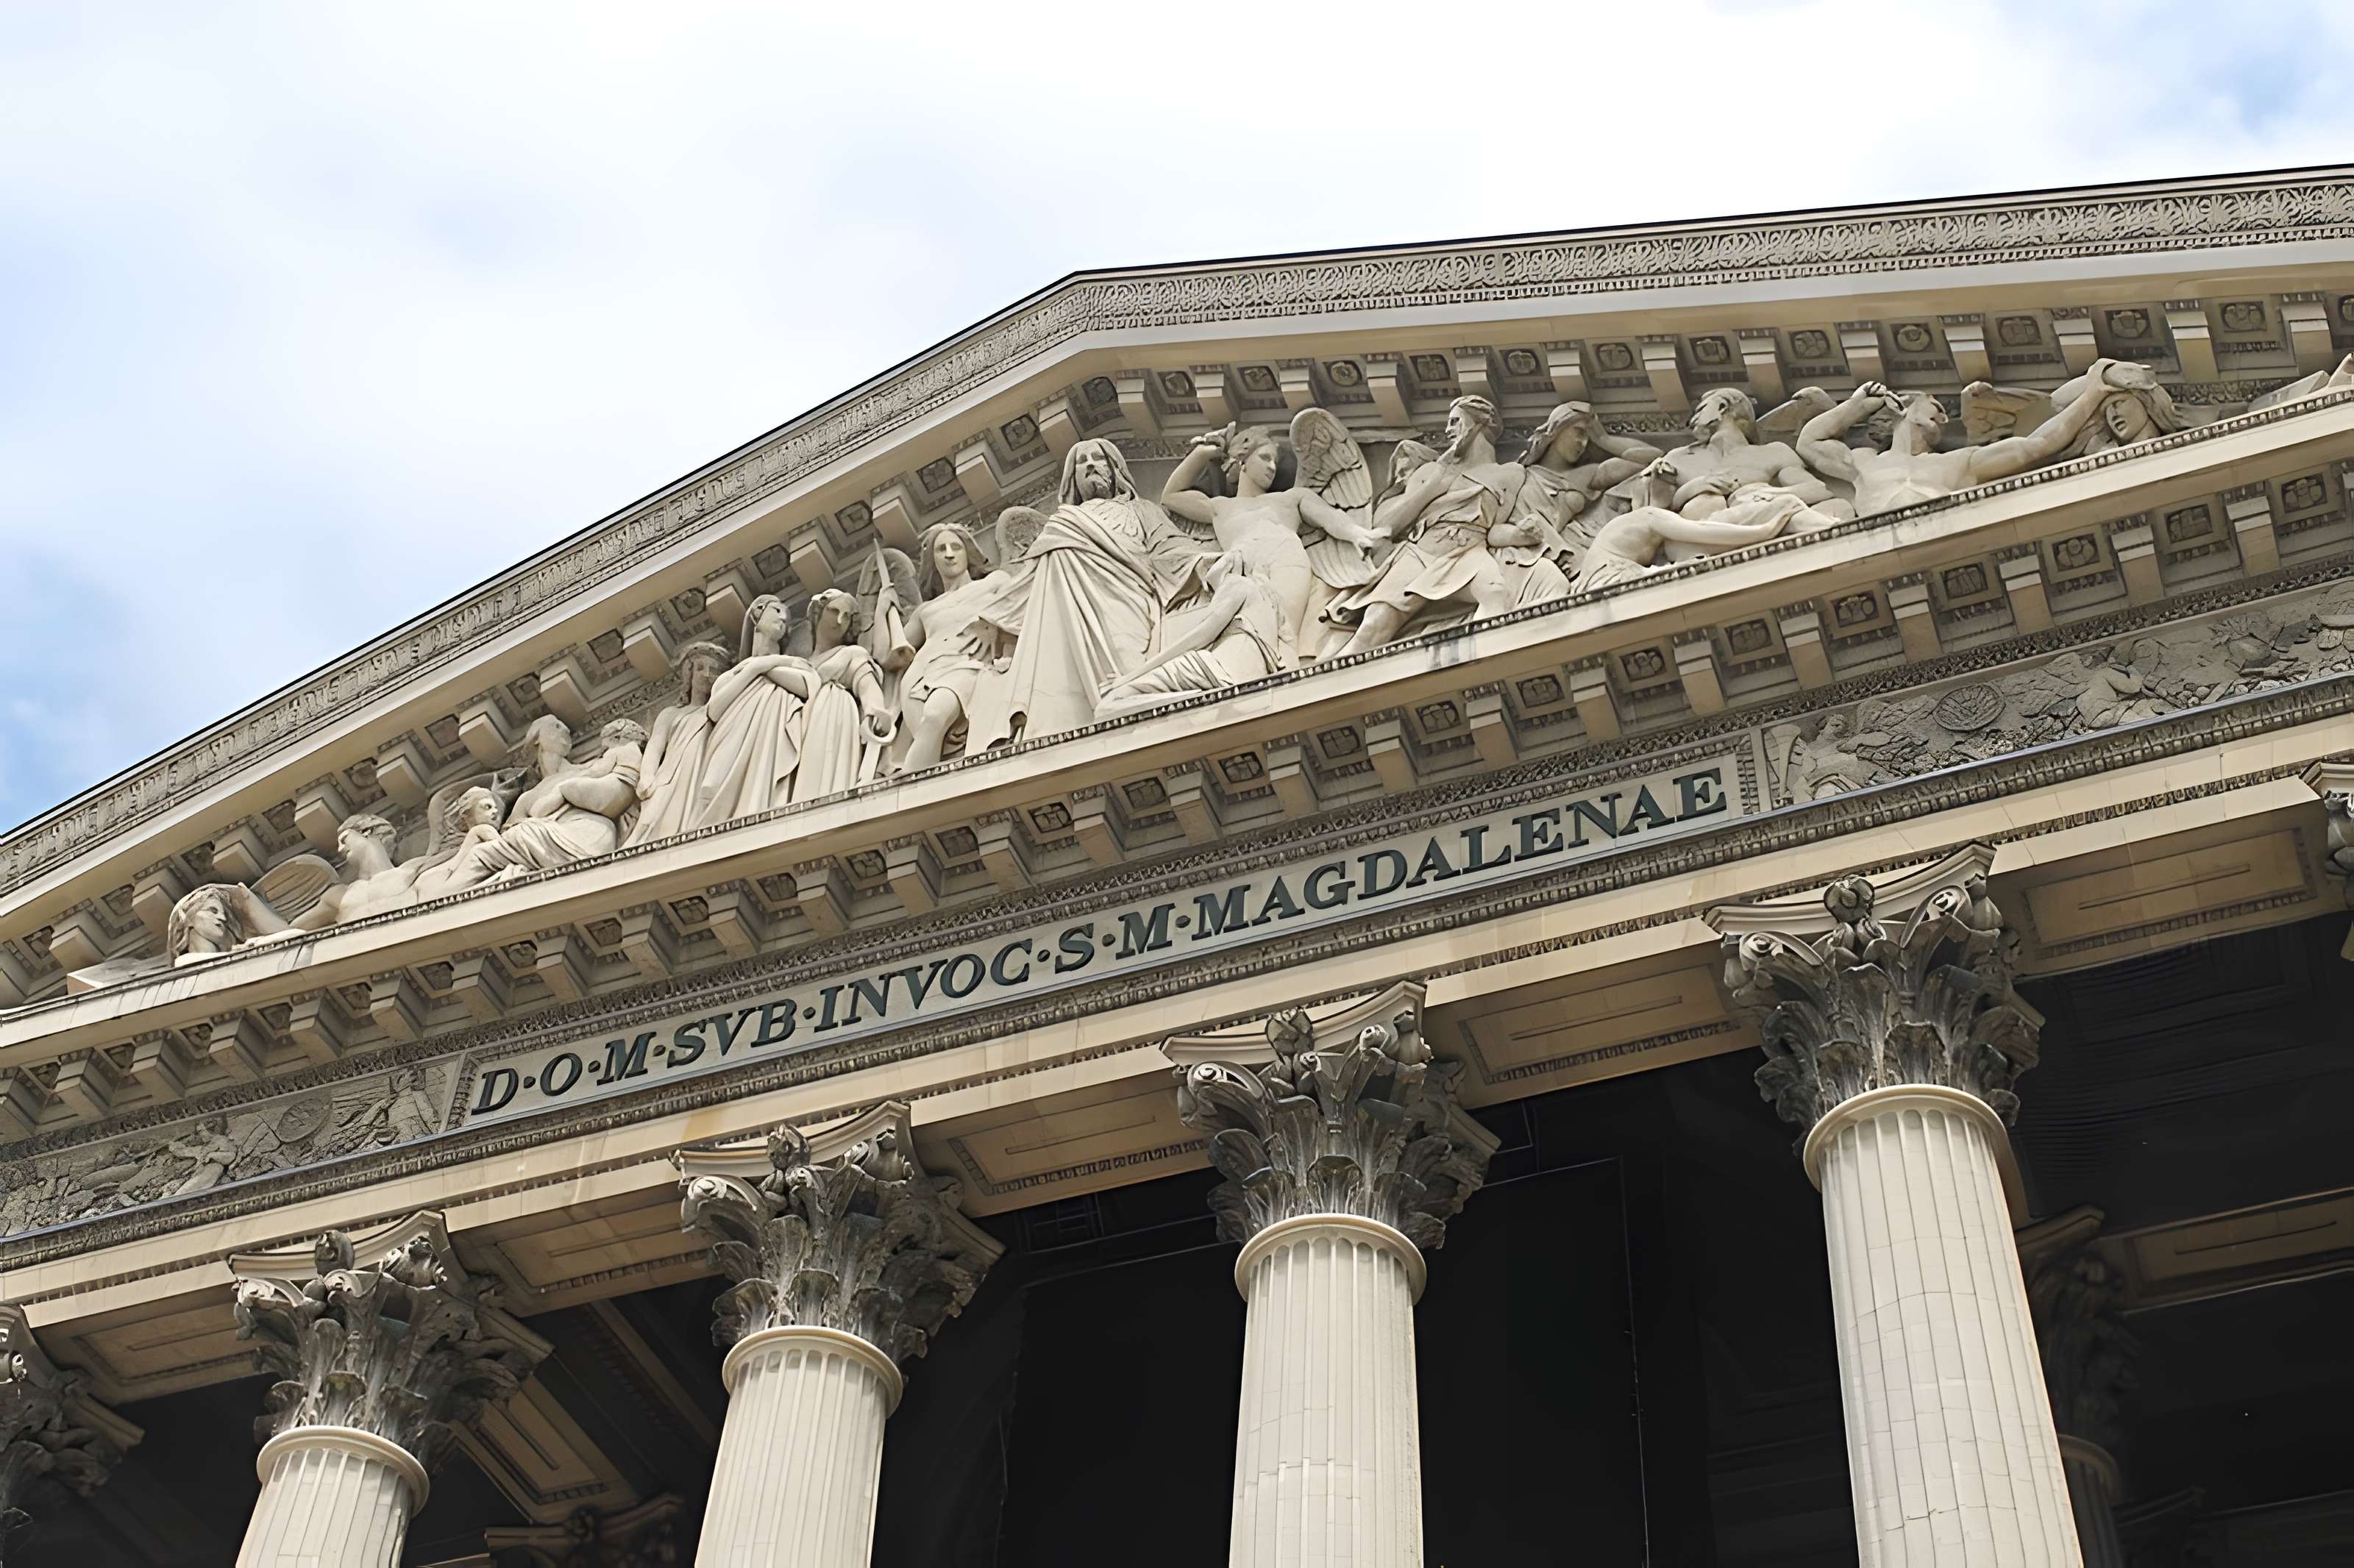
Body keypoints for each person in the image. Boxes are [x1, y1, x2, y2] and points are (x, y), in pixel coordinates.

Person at [964, 440, 1208, 748]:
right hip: (1071, 615)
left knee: (1127, 658)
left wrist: (1210, 566)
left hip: (1129, 600)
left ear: (1115, 469)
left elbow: (1171, 549)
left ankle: (1136, 708)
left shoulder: (1141, 510)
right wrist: (996, 623)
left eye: (1098, 459)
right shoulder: (1062, 522)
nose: (1090, 465)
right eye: (1082, 462)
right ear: (1073, 477)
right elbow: (1034, 586)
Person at [1326, 396, 1534, 656]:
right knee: (1375, 625)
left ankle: (1482, 664)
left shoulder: (1512, 474)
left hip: (1470, 551)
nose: (1448, 430)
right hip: (1422, 552)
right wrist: (1434, 484)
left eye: (1455, 422)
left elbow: (1495, 530)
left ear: (1481, 422)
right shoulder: (1432, 472)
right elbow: (1386, 527)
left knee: (1496, 592)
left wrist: (1521, 534)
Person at [1159, 423, 1379, 654]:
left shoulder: (1290, 498)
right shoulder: (1220, 508)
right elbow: (1171, 496)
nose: (1272, 467)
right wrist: (1206, 451)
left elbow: (1331, 519)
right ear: (1242, 460)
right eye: (1265, 458)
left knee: (1281, 635)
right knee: (1241, 639)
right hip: (1242, 568)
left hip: (1285, 558)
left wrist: (1358, 534)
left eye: (1274, 461)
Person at [1799, 377, 2110, 515]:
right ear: (1902, 407)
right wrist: (1856, 407)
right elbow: (1810, 442)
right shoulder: (1863, 462)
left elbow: (2036, 445)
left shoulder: (1958, 462)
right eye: (1934, 404)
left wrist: (2093, 393)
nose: (1946, 417)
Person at [878, 523, 1011, 773]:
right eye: (941, 549)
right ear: (933, 559)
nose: (949, 554)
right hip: (921, 678)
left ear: (967, 552)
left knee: (937, 714)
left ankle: (911, 792)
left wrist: (995, 627)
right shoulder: (926, 610)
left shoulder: (993, 582)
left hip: (966, 666)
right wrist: (882, 609)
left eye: (956, 547)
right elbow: (887, 657)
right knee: (931, 719)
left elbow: (1024, 606)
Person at [1571, 459, 1813, 592]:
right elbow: (1704, 532)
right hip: (1614, 583)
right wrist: (1764, 531)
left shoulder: (1620, 529)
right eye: (1668, 487)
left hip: (1600, 586)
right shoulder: (1649, 516)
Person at [1098, 552, 1290, 711]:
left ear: (1233, 564)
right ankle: (1190, 703)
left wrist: (1130, 678)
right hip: (1238, 681)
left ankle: (1188, 703)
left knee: (1110, 703)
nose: (1207, 560)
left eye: (1218, 558)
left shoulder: (1236, 583)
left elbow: (1198, 638)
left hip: (1219, 671)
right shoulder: (1264, 602)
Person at [690, 595, 820, 827]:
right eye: (777, 610)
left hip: (768, 747)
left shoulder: (794, 664)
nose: (783, 618)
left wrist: (762, 665)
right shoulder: (730, 676)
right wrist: (755, 667)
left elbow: (807, 686)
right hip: (729, 747)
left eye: (787, 617)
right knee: (711, 789)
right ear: (756, 614)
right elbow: (715, 710)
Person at [792, 589, 895, 801]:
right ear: (817, 613)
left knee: (833, 695)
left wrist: (875, 711)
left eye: (847, 616)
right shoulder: (797, 665)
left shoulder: (853, 654)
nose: (839, 621)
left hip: (831, 728)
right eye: (833, 611)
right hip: (794, 737)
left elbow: (866, 682)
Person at [625, 639, 730, 845]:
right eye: (700, 668)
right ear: (689, 673)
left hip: (701, 771)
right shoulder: (671, 713)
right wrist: (646, 776)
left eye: (714, 670)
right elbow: (655, 746)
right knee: (650, 822)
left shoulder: (720, 710)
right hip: (669, 776)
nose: (707, 675)